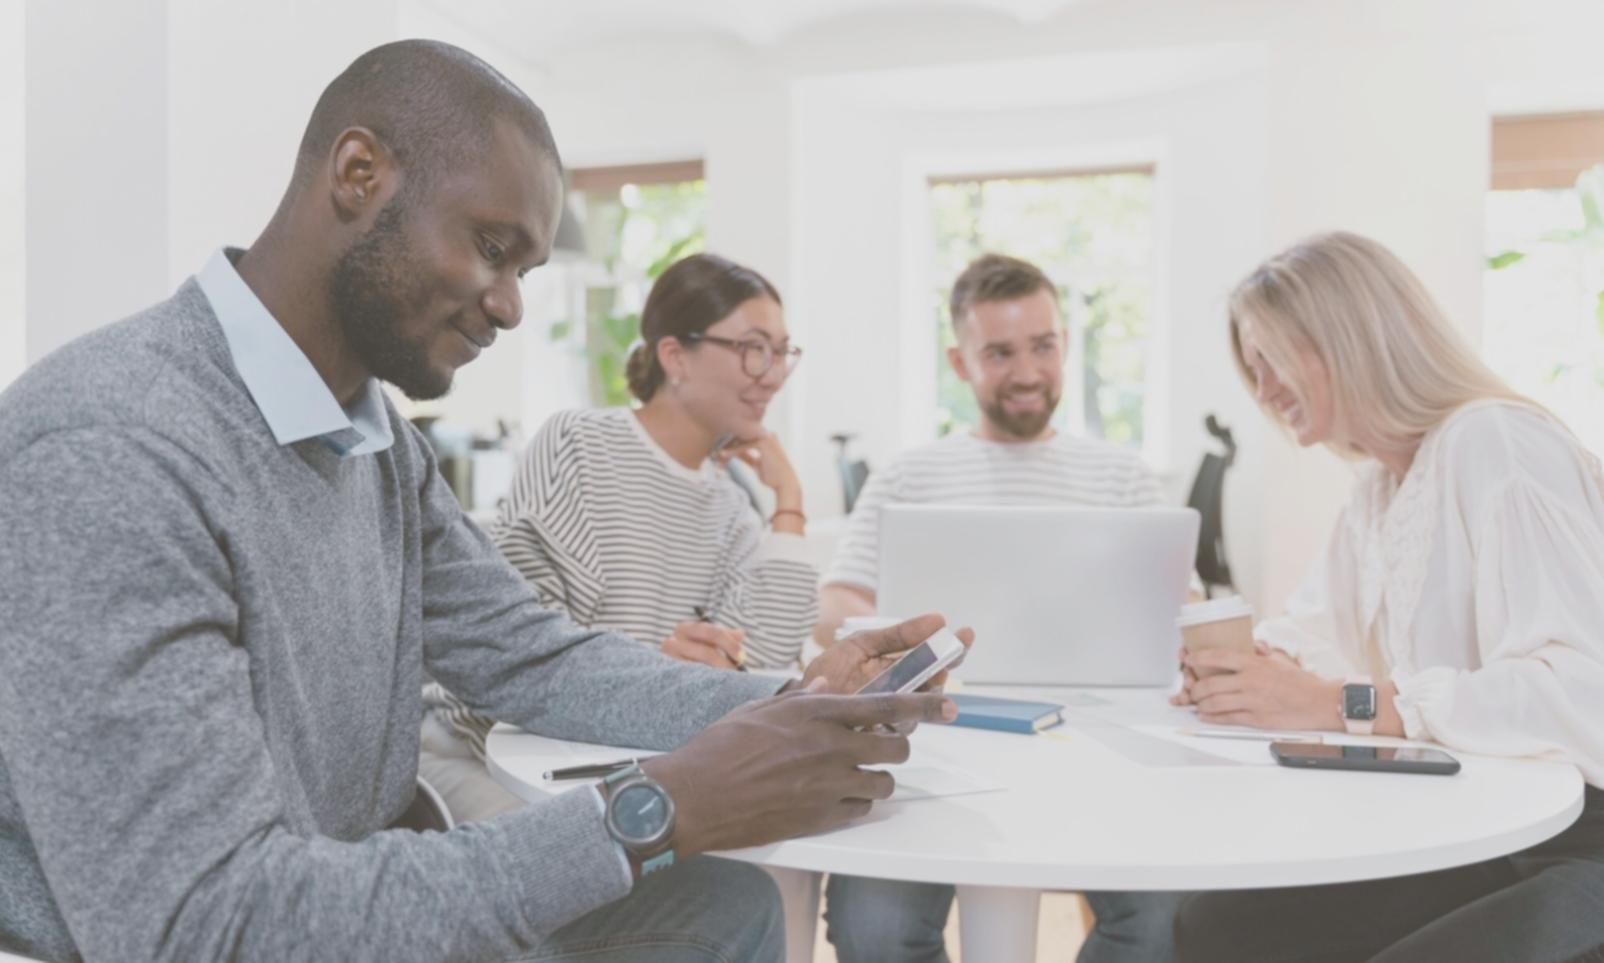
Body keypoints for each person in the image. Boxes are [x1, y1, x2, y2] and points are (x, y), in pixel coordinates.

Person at [0, 40, 965, 963]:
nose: (509, 305)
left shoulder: (374, 441)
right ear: (358, 173)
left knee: (726, 909)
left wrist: (792, 700)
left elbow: (534, 658)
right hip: (256, 932)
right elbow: (205, 928)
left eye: (524, 271)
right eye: (492, 248)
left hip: (348, 900)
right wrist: (658, 808)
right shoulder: (111, 451)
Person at [1172, 231, 1604, 962]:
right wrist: (1244, 668)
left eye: (1269, 360)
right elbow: (1316, 630)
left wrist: (1337, 702)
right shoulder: (1379, 492)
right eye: (1252, 370)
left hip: (1577, 836)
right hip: (1485, 823)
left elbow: (1580, 693)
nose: (1264, 391)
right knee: (1213, 926)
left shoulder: (1496, 445)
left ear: (1346, 340)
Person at [816, 253, 1183, 963]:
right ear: (960, 361)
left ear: (1065, 345)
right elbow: (839, 601)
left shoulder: (1122, 477)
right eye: (1000, 352)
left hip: (1096, 746)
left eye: (1043, 345)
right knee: (875, 925)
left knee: (1164, 916)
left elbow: (1180, 605)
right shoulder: (910, 474)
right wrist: (883, 643)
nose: (1026, 371)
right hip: (932, 743)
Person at [421, 251, 818, 820]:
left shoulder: (733, 508)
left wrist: (791, 504)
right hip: (488, 754)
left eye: (782, 352)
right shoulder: (579, 445)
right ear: (675, 355)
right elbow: (519, 660)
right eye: (754, 349)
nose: (774, 373)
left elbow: (770, 665)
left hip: (620, 765)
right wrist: (662, 677)